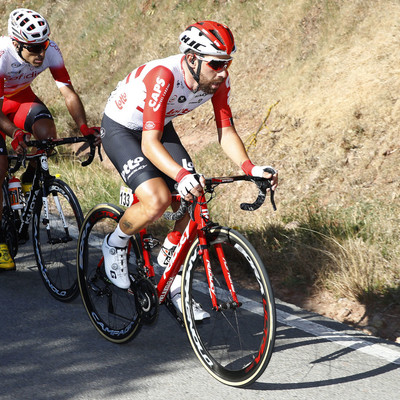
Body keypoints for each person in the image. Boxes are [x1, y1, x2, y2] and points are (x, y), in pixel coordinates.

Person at [100, 20, 278, 320]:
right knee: (157, 199)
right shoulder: (164, 76)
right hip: (122, 128)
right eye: (215, 64)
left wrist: (251, 167)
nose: (223, 71)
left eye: (227, 63)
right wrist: (180, 175)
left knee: (194, 198)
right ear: (192, 58)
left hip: (157, 126)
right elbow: (148, 143)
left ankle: (172, 275)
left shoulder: (217, 80)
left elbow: (226, 129)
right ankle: (114, 243)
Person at [0, 8, 100, 270]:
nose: (40, 54)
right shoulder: (1, 55)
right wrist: (15, 133)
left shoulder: (50, 51)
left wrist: (84, 127)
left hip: (21, 99)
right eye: (33, 48)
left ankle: (29, 180)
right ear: (16, 43)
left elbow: (68, 92)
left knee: (47, 137)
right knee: (0, 167)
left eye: (43, 46)